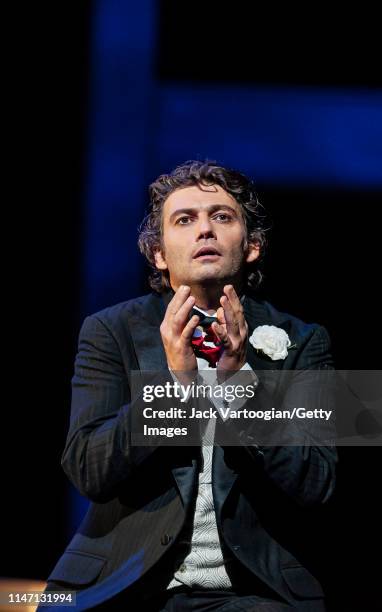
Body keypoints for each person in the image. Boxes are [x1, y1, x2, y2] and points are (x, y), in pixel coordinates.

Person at [40, 161, 337, 611]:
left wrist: (238, 384)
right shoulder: (109, 331)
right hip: (122, 585)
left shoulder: (304, 340)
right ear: (159, 254)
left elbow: (316, 482)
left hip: (251, 592)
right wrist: (175, 385)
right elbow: (88, 469)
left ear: (252, 245)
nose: (204, 231)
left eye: (221, 216)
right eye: (185, 219)